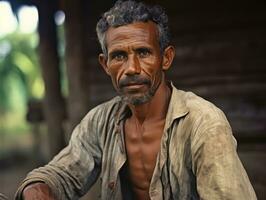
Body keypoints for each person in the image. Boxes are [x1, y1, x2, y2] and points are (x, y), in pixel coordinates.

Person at [16, 1, 257, 199]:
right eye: (119, 56)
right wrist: (37, 189)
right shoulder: (101, 121)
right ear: (105, 64)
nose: (131, 68)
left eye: (143, 52)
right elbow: (62, 174)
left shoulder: (204, 124)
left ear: (166, 58)